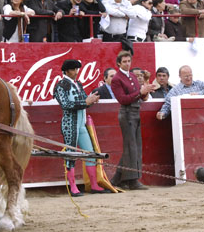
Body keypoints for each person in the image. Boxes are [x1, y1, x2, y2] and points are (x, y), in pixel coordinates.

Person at [53, 59, 108, 196]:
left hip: (81, 123)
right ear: (66, 71)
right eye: (73, 69)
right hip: (69, 124)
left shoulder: (77, 84)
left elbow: (85, 102)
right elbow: (65, 105)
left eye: (77, 69)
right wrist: (85, 101)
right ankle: (72, 188)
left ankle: (94, 185)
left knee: (90, 152)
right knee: (70, 155)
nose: (76, 72)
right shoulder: (61, 85)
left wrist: (91, 100)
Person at [110, 50, 156, 190]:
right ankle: (132, 180)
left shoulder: (131, 76)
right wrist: (140, 93)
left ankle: (117, 178)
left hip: (135, 112)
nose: (127, 64)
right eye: (124, 61)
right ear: (119, 63)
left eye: (129, 61)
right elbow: (123, 99)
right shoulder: (117, 79)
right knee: (131, 147)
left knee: (134, 147)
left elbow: (139, 97)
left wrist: (145, 91)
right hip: (127, 113)